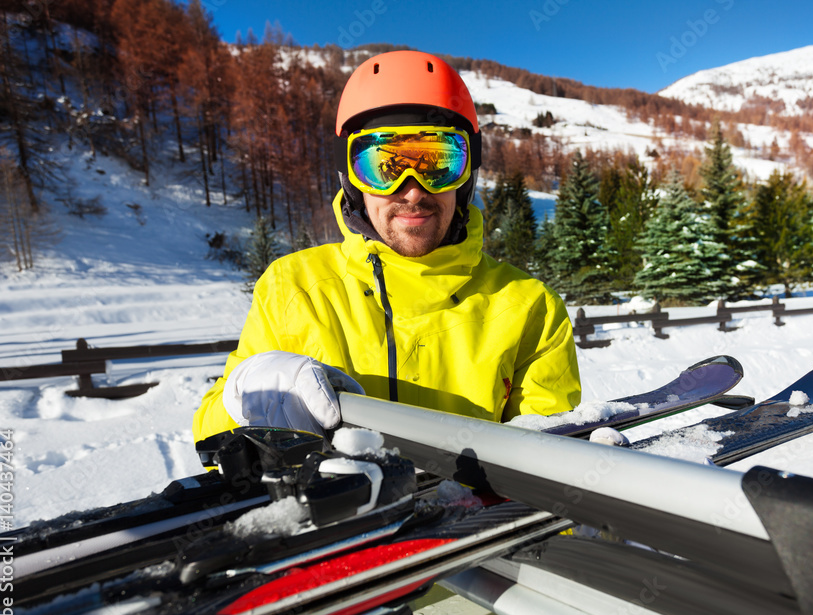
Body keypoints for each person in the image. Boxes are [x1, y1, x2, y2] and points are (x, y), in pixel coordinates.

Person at [193, 50, 581, 444]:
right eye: (385, 166)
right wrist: (242, 397)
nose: (413, 190)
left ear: (466, 176)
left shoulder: (529, 308)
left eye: (437, 162)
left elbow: (551, 470)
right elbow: (210, 443)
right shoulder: (292, 290)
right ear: (352, 179)